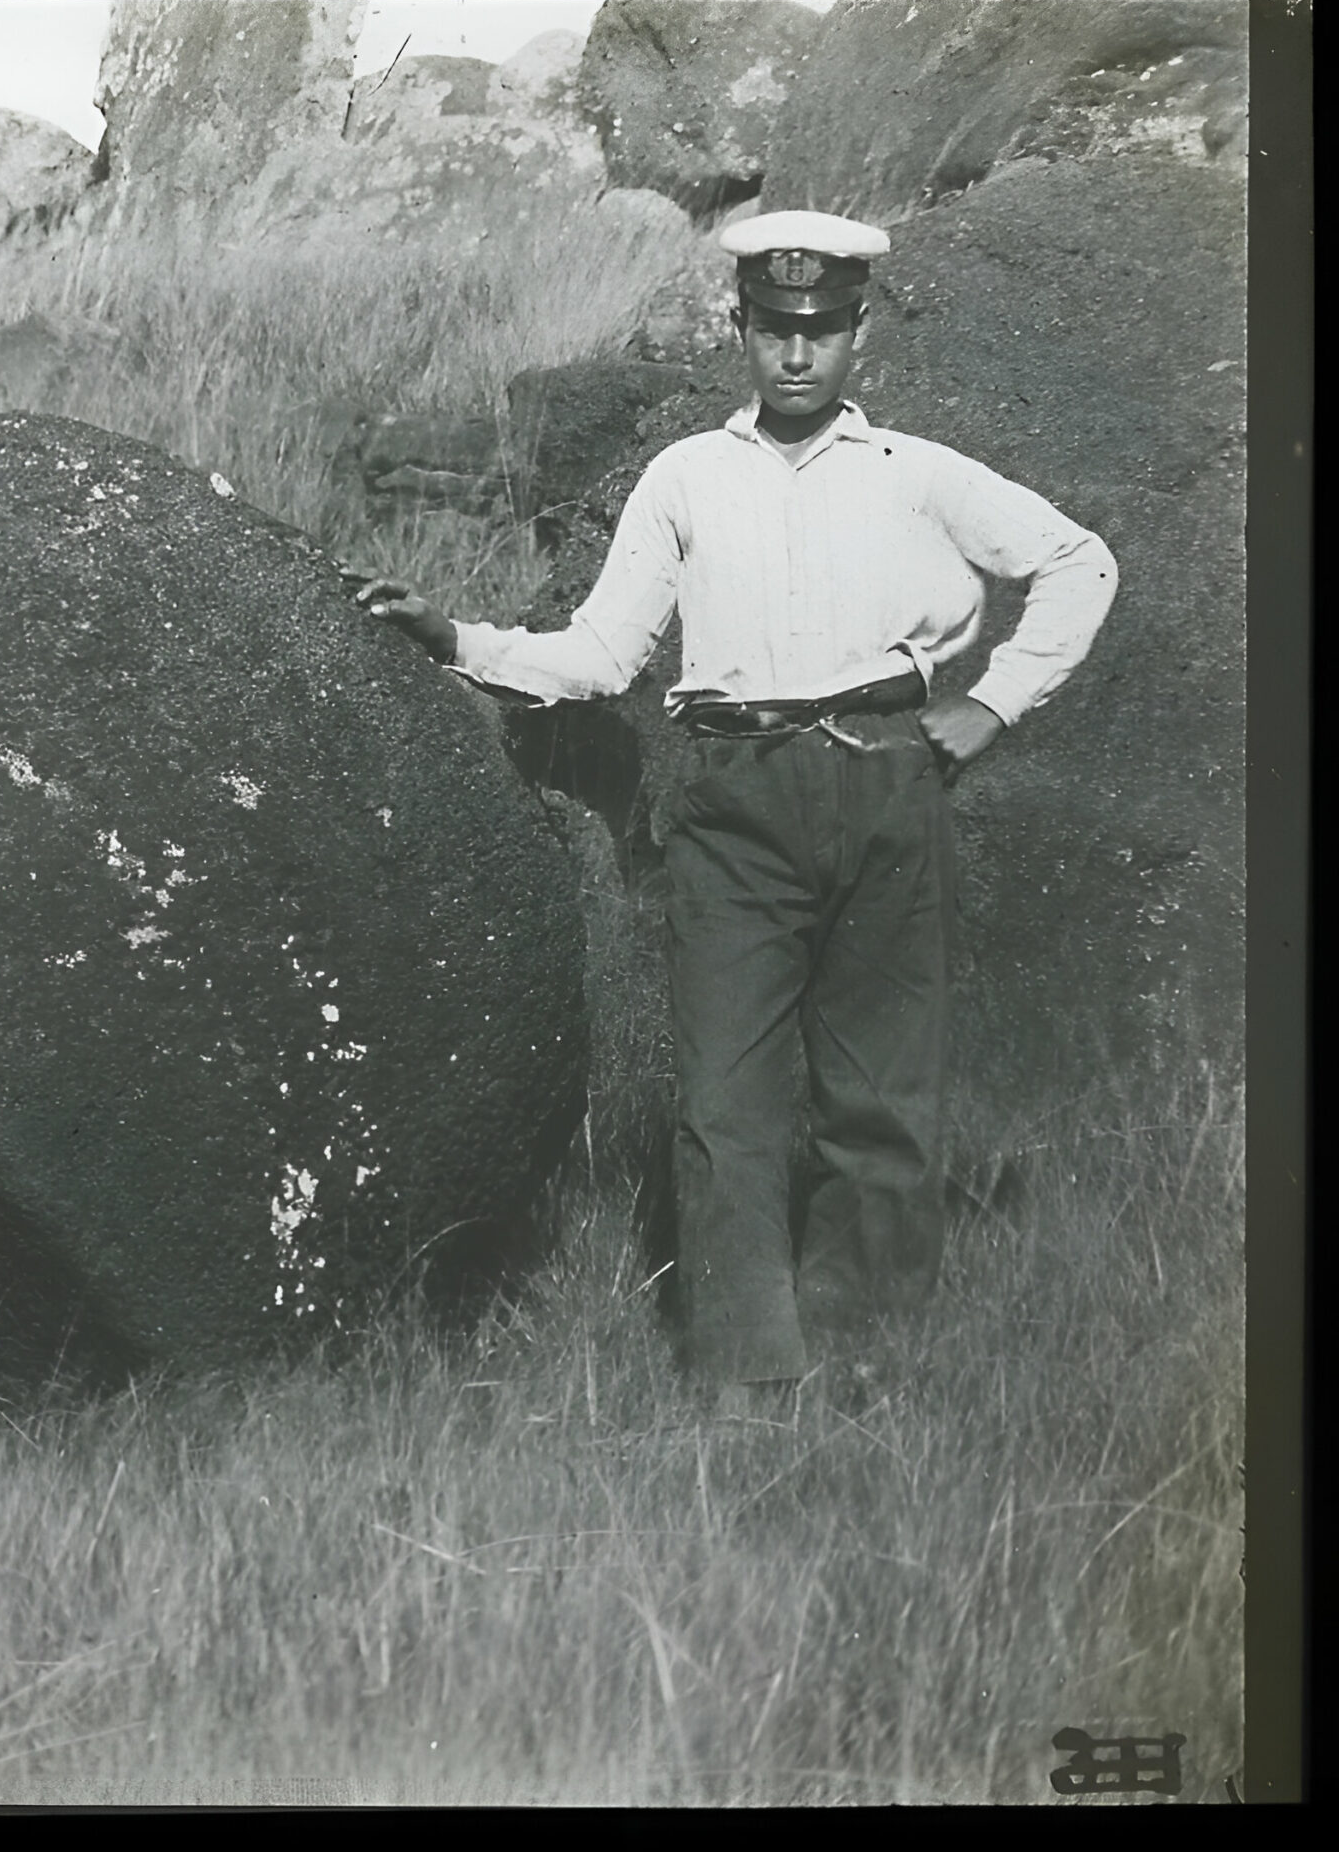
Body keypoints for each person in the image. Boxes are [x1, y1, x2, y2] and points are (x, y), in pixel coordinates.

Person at [351, 210, 1118, 1418]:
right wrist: (455, 639)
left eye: (821, 329)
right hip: (732, 799)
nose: (797, 355)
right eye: (774, 329)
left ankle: (871, 1358)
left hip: (884, 781)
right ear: (741, 329)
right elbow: (602, 654)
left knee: (880, 1094)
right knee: (726, 1100)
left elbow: (1082, 563)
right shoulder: (685, 478)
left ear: (857, 330)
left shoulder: (917, 477)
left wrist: (995, 708)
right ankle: (745, 1372)